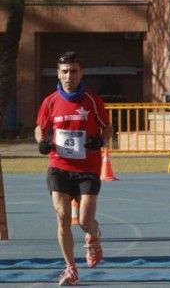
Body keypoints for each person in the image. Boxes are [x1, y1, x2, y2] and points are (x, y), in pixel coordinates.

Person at [35, 51, 113, 286]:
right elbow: (40, 128)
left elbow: (107, 128)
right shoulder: (49, 101)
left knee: (85, 221)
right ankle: (71, 268)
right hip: (59, 165)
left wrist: (101, 141)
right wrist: (42, 142)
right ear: (58, 74)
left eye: (74, 71)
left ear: (82, 72)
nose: (69, 76)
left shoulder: (91, 100)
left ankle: (94, 237)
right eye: (65, 72)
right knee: (62, 216)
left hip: (88, 167)